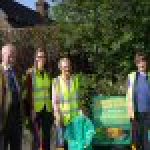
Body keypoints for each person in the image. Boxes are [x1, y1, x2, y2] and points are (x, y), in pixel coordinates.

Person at [24, 48, 53, 150]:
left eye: (43, 57)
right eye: (39, 56)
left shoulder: (48, 73)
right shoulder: (30, 73)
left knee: (47, 137)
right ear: (35, 58)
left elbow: (50, 91)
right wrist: (29, 111)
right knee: (35, 138)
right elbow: (26, 94)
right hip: (35, 110)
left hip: (47, 109)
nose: (42, 59)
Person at [52, 57, 83, 149]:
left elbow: (78, 99)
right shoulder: (56, 81)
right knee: (61, 144)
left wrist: (81, 112)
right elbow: (55, 102)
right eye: (65, 67)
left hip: (74, 119)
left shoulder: (75, 80)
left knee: (73, 144)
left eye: (69, 66)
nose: (67, 68)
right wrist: (57, 115)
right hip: (62, 118)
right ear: (60, 68)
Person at [0, 44, 22, 150]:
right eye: (9, 56)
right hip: (3, 118)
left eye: (13, 56)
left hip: (16, 118)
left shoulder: (16, 71)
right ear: (2, 55)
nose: (11, 58)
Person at [126, 51, 150, 150]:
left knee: (147, 141)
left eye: (143, 61)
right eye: (139, 61)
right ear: (136, 64)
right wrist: (130, 113)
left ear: (146, 63)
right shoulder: (131, 76)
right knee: (136, 142)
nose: (141, 64)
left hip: (148, 115)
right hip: (135, 114)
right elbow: (128, 96)